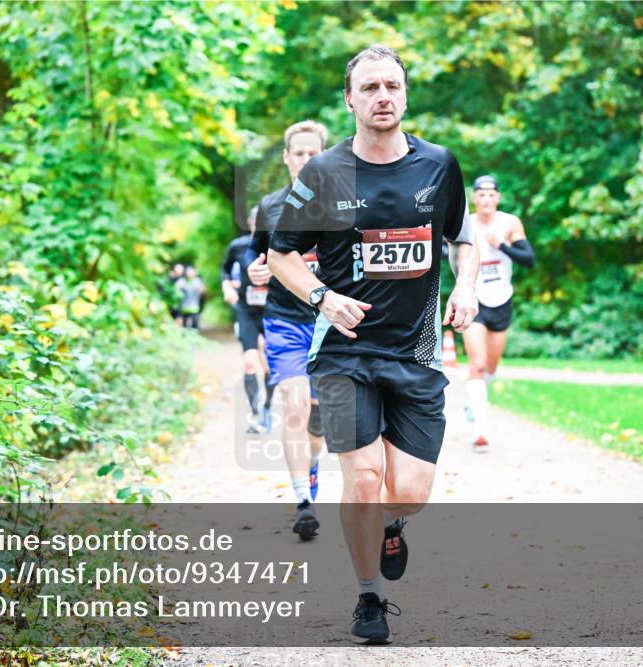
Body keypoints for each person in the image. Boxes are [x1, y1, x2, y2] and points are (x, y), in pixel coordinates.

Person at [266, 45, 478, 645]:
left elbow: (464, 239)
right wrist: (322, 299)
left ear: (405, 95)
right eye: (370, 88)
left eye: (392, 86)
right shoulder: (324, 174)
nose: (382, 96)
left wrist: (465, 286)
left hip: (415, 352)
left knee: (408, 493)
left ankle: (392, 524)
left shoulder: (439, 165)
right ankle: (369, 598)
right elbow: (281, 255)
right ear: (350, 99)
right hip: (344, 352)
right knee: (360, 477)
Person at [246, 120, 329, 539]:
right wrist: (256, 271)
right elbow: (254, 258)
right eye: (299, 153)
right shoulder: (270, 206)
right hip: (285, 323)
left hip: (332, 327)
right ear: (286, 157)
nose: (306, 160)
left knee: (319, 424)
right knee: (294, 407)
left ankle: (312, 466)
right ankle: (303, 503)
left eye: (314, 153)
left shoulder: (344, 205)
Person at [462, 174, 534, 449]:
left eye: (491, 195)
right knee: (477, 364)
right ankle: (480, 429)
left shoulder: (509, 223)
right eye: (481, 194)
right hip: (474, 300)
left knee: (490, 368)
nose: (486, 199)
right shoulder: (466, 223)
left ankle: (474, 401)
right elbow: (445, 250)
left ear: (498, 198)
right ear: (474, 197)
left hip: (501, 300)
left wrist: (500, 245)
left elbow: (529, 260)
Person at [221, 206, 273, 433]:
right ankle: (255, 413)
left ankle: (267, 409)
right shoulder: (238, 246)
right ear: (250, 224)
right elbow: (224, 270)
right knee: (250, 361)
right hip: (246, 310)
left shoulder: (279, 246)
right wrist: (227, 287)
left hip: (272, 310)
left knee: (270, 364)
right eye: (255, 224)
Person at [175, 265, 205, 330]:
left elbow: (203, 293)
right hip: (184, 308)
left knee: (195, 326)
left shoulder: (198, 281)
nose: (189, 273)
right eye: (188, 271)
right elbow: (176, 291)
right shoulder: (182, 281)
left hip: (195, 307)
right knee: (184, 327)